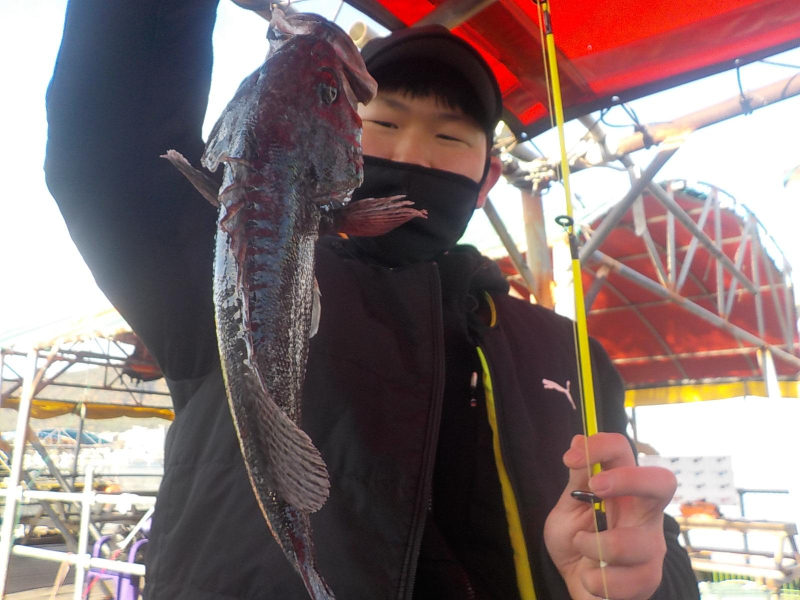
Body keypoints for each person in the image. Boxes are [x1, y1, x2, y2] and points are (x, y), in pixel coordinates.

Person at [44, 1, 700, 598]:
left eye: (449, 138)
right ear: (338, 138)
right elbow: (113, 149)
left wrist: (629, 580)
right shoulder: (215, 263)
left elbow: (636, 529)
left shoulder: (570, 351)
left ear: (487, 179)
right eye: (382, 122)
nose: (412, 153)